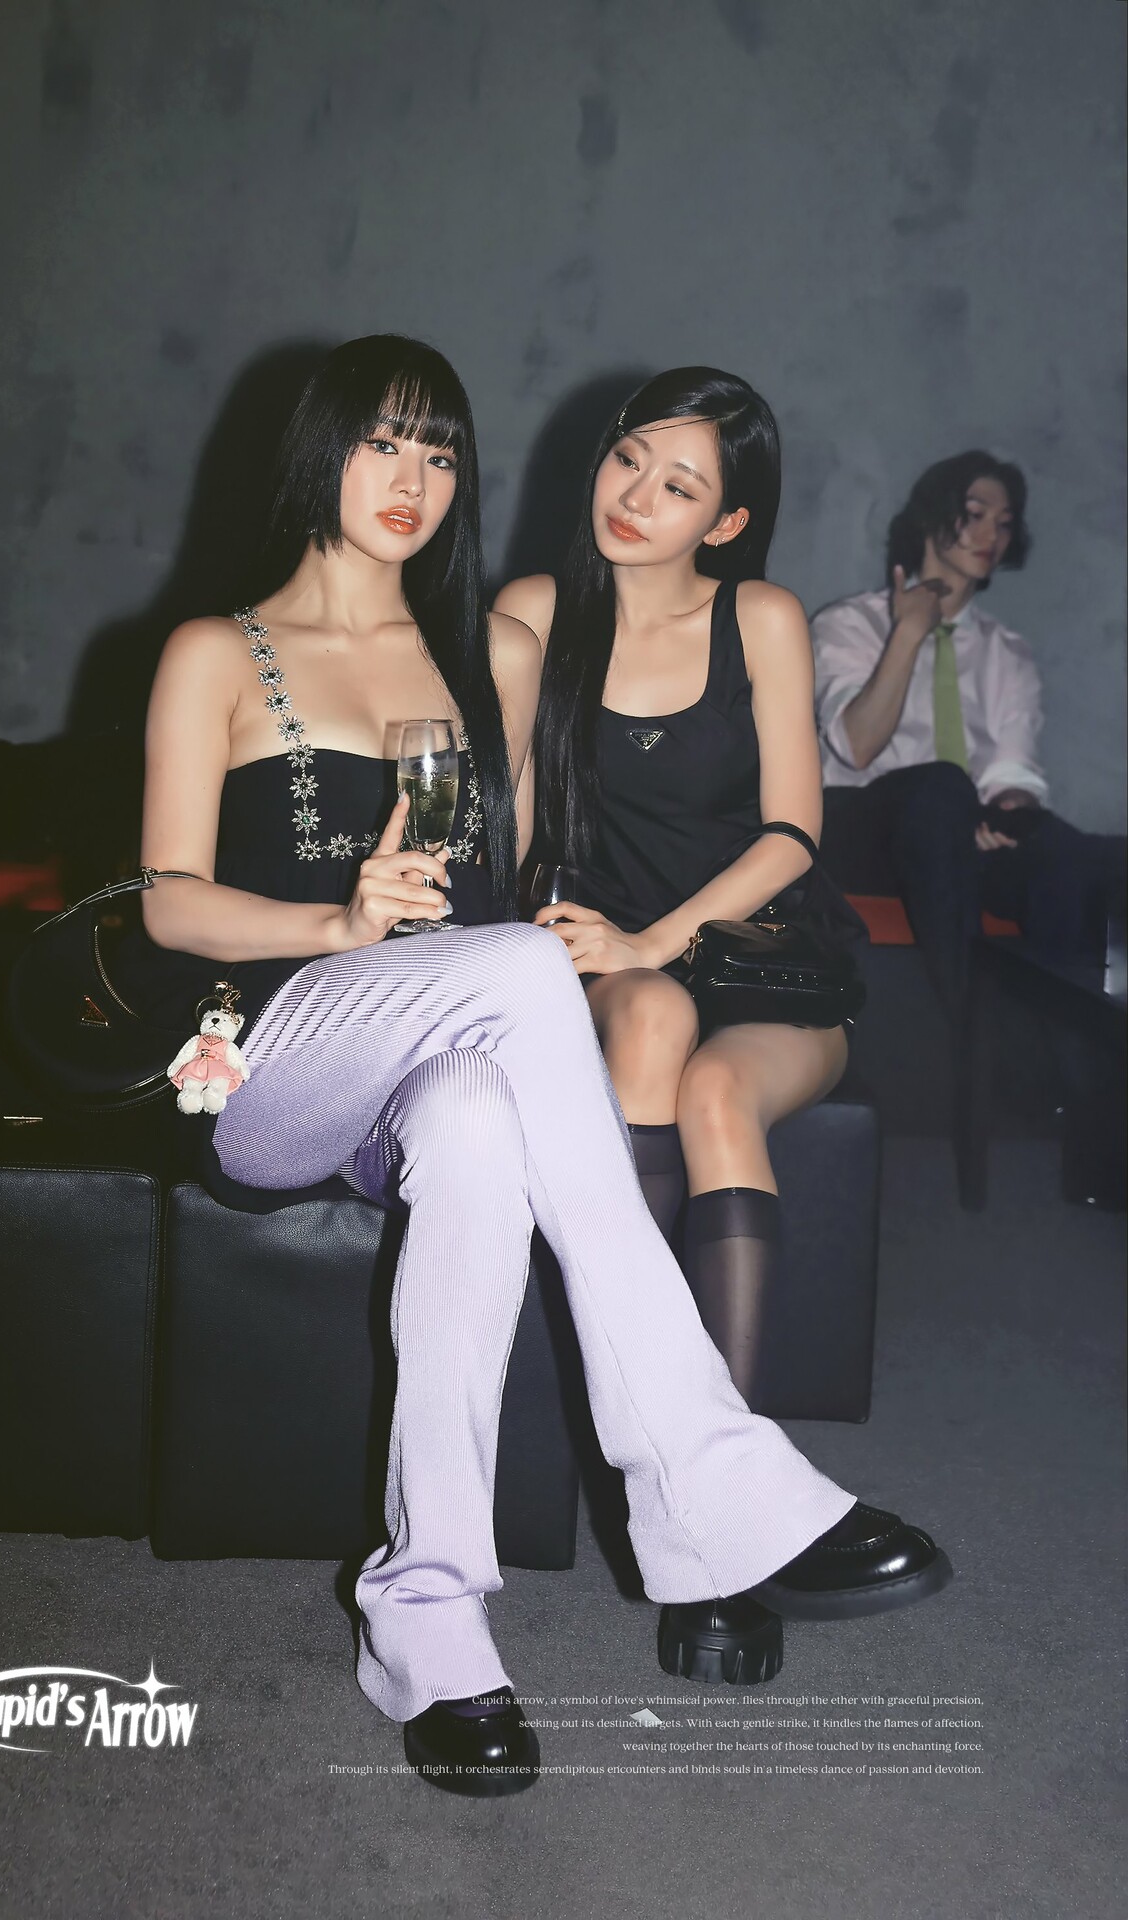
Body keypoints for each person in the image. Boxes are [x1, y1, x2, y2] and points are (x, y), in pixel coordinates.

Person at [131, 335, 949, 1798]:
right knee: (513, 973)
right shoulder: (217, 650)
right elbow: (167, 902)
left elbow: (504, 879)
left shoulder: (487, 655)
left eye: (441, 451)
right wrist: (335, 920)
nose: (415, 478)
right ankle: (702, 1473)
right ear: (320, 453)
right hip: (264, 1063)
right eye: (384, 442)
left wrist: (575, 934)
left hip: (418, 1058)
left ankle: (429, 1625)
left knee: (478, 1119)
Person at [497, 368, 862, 1410]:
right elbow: (508, 823)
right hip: (604, 951)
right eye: (627, 459)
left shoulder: (760, 617)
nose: (634, 496)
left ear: (726, 522)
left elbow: (793, 834)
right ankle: (636, 1413)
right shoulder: (533, 611)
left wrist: (653, 941)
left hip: (759, 956)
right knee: (654, 1019)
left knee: (716, 1092)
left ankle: (714, 1454)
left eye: (678, 486)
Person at [811, 451, 1113, 1026]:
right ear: (932, 515)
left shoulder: (1006, 652)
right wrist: (909, 633)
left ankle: (1065, 1053)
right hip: (858, 830)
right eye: (975, 514)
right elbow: (855, 747)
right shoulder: (847, 625)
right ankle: (963, 1031)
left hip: (958, 839)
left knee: (1081, 855)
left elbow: (1012, 772)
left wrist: (1010, 811)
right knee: (942, 790)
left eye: (1004, 524)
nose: (991, 536)